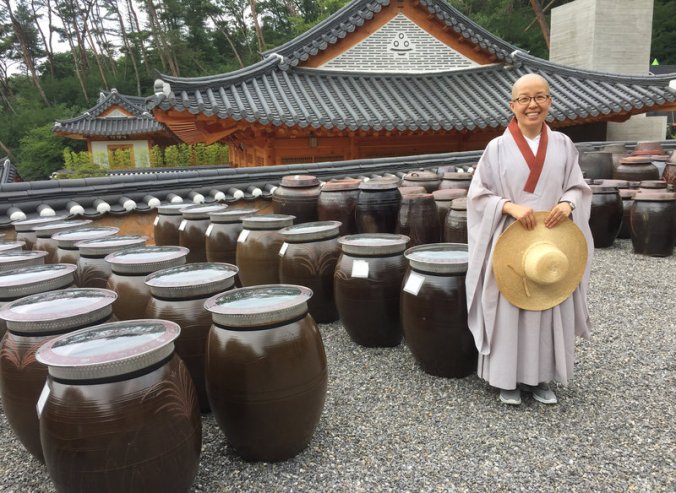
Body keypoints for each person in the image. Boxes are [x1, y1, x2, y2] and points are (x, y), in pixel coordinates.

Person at [465, 73, 593, 405]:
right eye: (524, 98)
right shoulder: (496, 148)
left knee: (547, 303)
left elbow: (577, 187)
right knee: (510, 306)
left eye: (539, 97)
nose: (531, 105)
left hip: (551, 244)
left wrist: (568, 203)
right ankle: (506, 379)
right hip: (511, 240)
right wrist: (507, 206)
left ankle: (540, 378)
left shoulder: (564, 145)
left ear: (550, 101)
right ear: (512, 105)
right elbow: (478, 195)